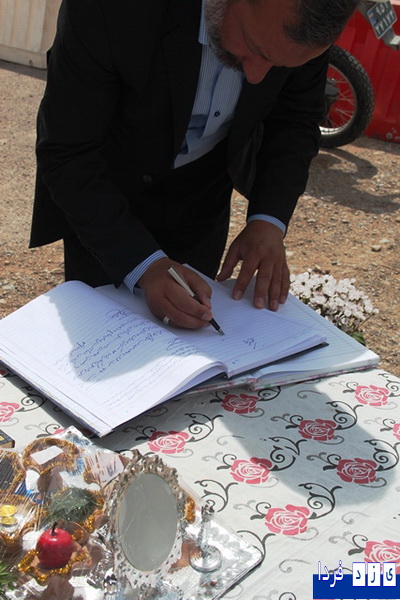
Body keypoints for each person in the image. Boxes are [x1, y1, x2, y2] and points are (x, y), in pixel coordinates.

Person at [30, 0, 360, 330]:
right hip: (106, 198)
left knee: (194, 329)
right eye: (254, 48)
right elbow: (68, 151)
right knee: (106, 335)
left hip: (201, 197)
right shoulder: (110, 8)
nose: (256, 76)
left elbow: (295, 121)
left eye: (278, 65)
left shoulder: (305, 20)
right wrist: (143, 264)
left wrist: (268, 220)